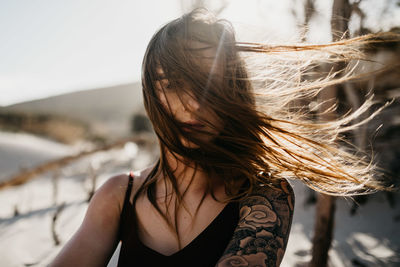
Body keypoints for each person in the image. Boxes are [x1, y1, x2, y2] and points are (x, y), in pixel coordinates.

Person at [50, 8, 393, 267]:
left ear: (232, 91)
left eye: (209, 82)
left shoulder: (265, 197)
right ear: (150, 94)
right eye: (172, 83)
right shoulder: (118, 196)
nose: (195, 103)